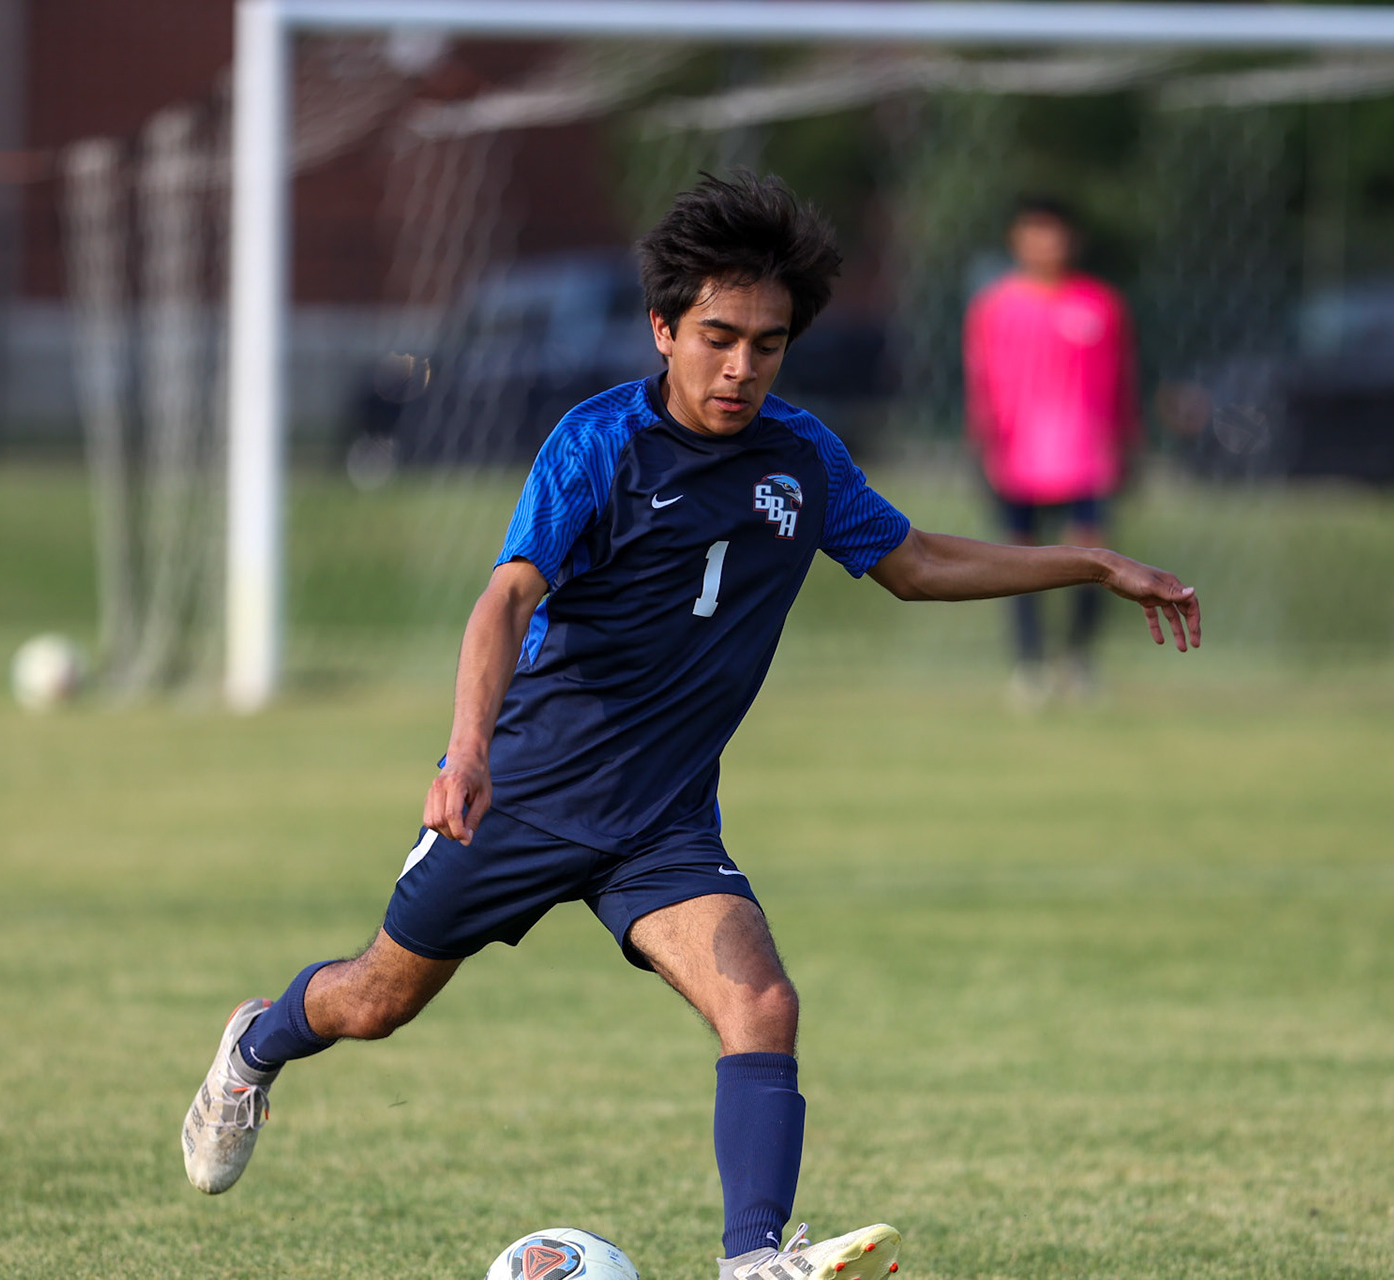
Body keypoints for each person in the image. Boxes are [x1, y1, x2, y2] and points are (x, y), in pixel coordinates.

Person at [180, 173, 1198, 1280]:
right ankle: (256, 1042)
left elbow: (912, 562)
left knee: (761, 999)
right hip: (521, 791)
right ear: (664, 328)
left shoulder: (802, 457)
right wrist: (467, 748)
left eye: (768, 344)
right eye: (717, 337)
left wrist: (1091, 560)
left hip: (662, 817)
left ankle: (752, 1259)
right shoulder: (601, 444)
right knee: (375, 1000)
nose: (741, 367)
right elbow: (507, 597)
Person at [964, 196, 1142, 704]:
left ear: (1072, 239)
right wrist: (984, 445)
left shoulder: (1100, 304)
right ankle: (1029, 666)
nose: (1046, 243)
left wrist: (1129, 442)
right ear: (1016, 240)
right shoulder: (995, 307)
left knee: (1094, 559)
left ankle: (1078, 659)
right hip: (1016, 457)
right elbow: (981, 383)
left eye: (1055, 232)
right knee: (1018, 564)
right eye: (1034, 232)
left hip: (1085, 456)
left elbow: (1122, 382)